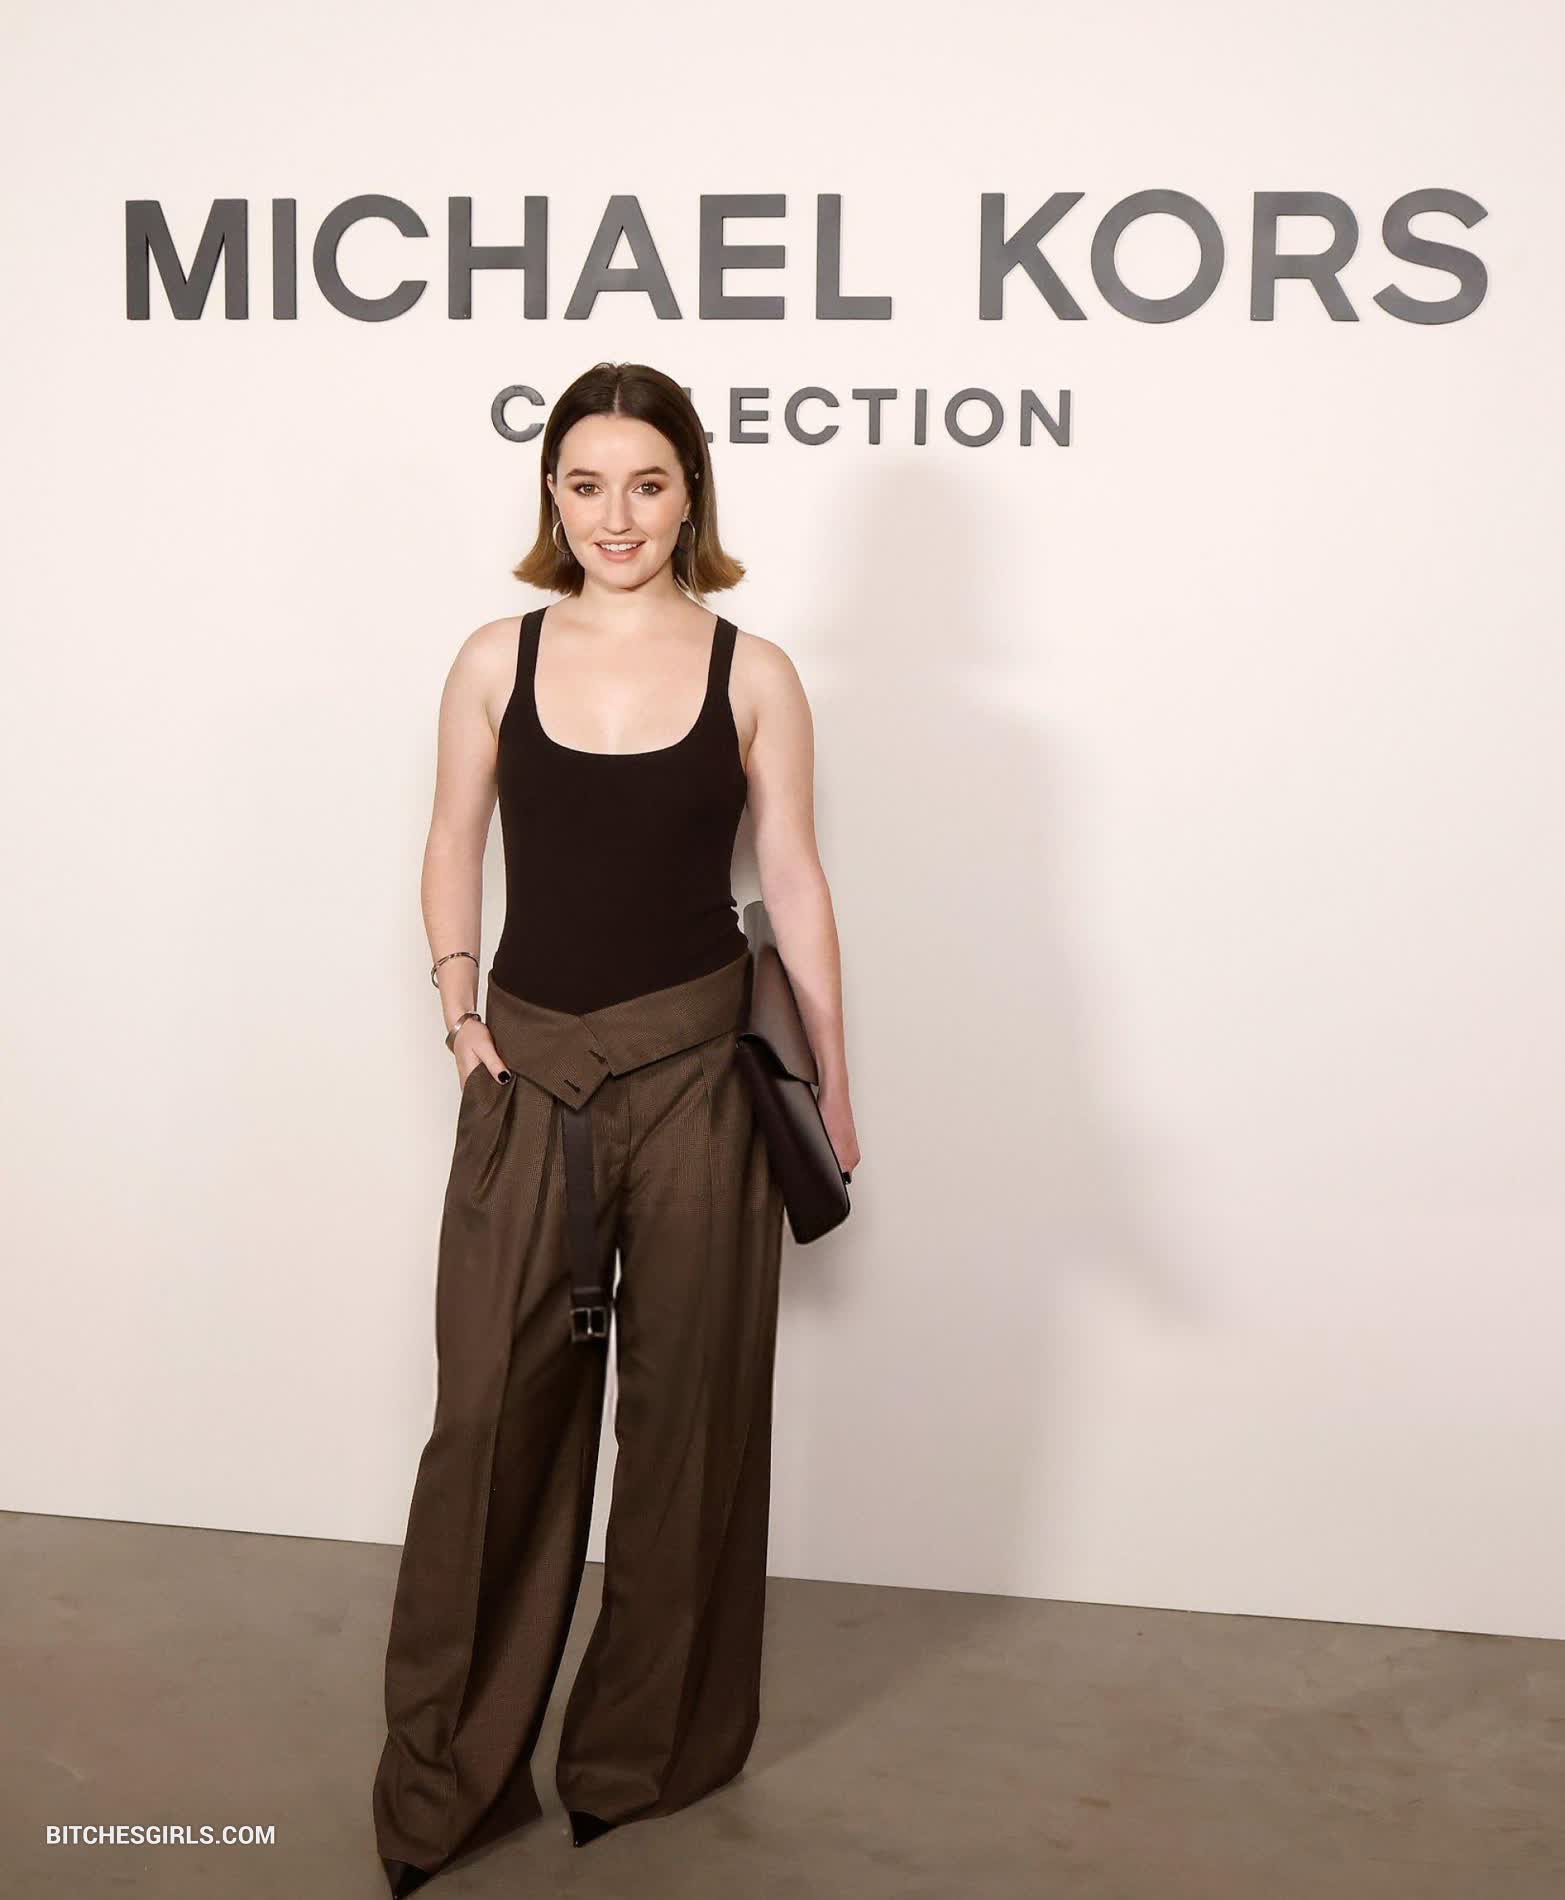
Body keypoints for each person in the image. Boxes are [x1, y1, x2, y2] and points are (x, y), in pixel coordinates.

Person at [370, 360, 860, 1895]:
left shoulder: (754, 671)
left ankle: (639, 1757)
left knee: (689, 1424)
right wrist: (459, 1016)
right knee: (489, 1429)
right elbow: (450, 840)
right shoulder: (494, 656)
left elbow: (794, 878)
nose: (615, 516)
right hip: (527, 1075)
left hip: (705, 1081)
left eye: (645, 483)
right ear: (551, 495)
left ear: (689, 491)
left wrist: (834, 1083)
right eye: (584, 485)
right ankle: (447, 1782)